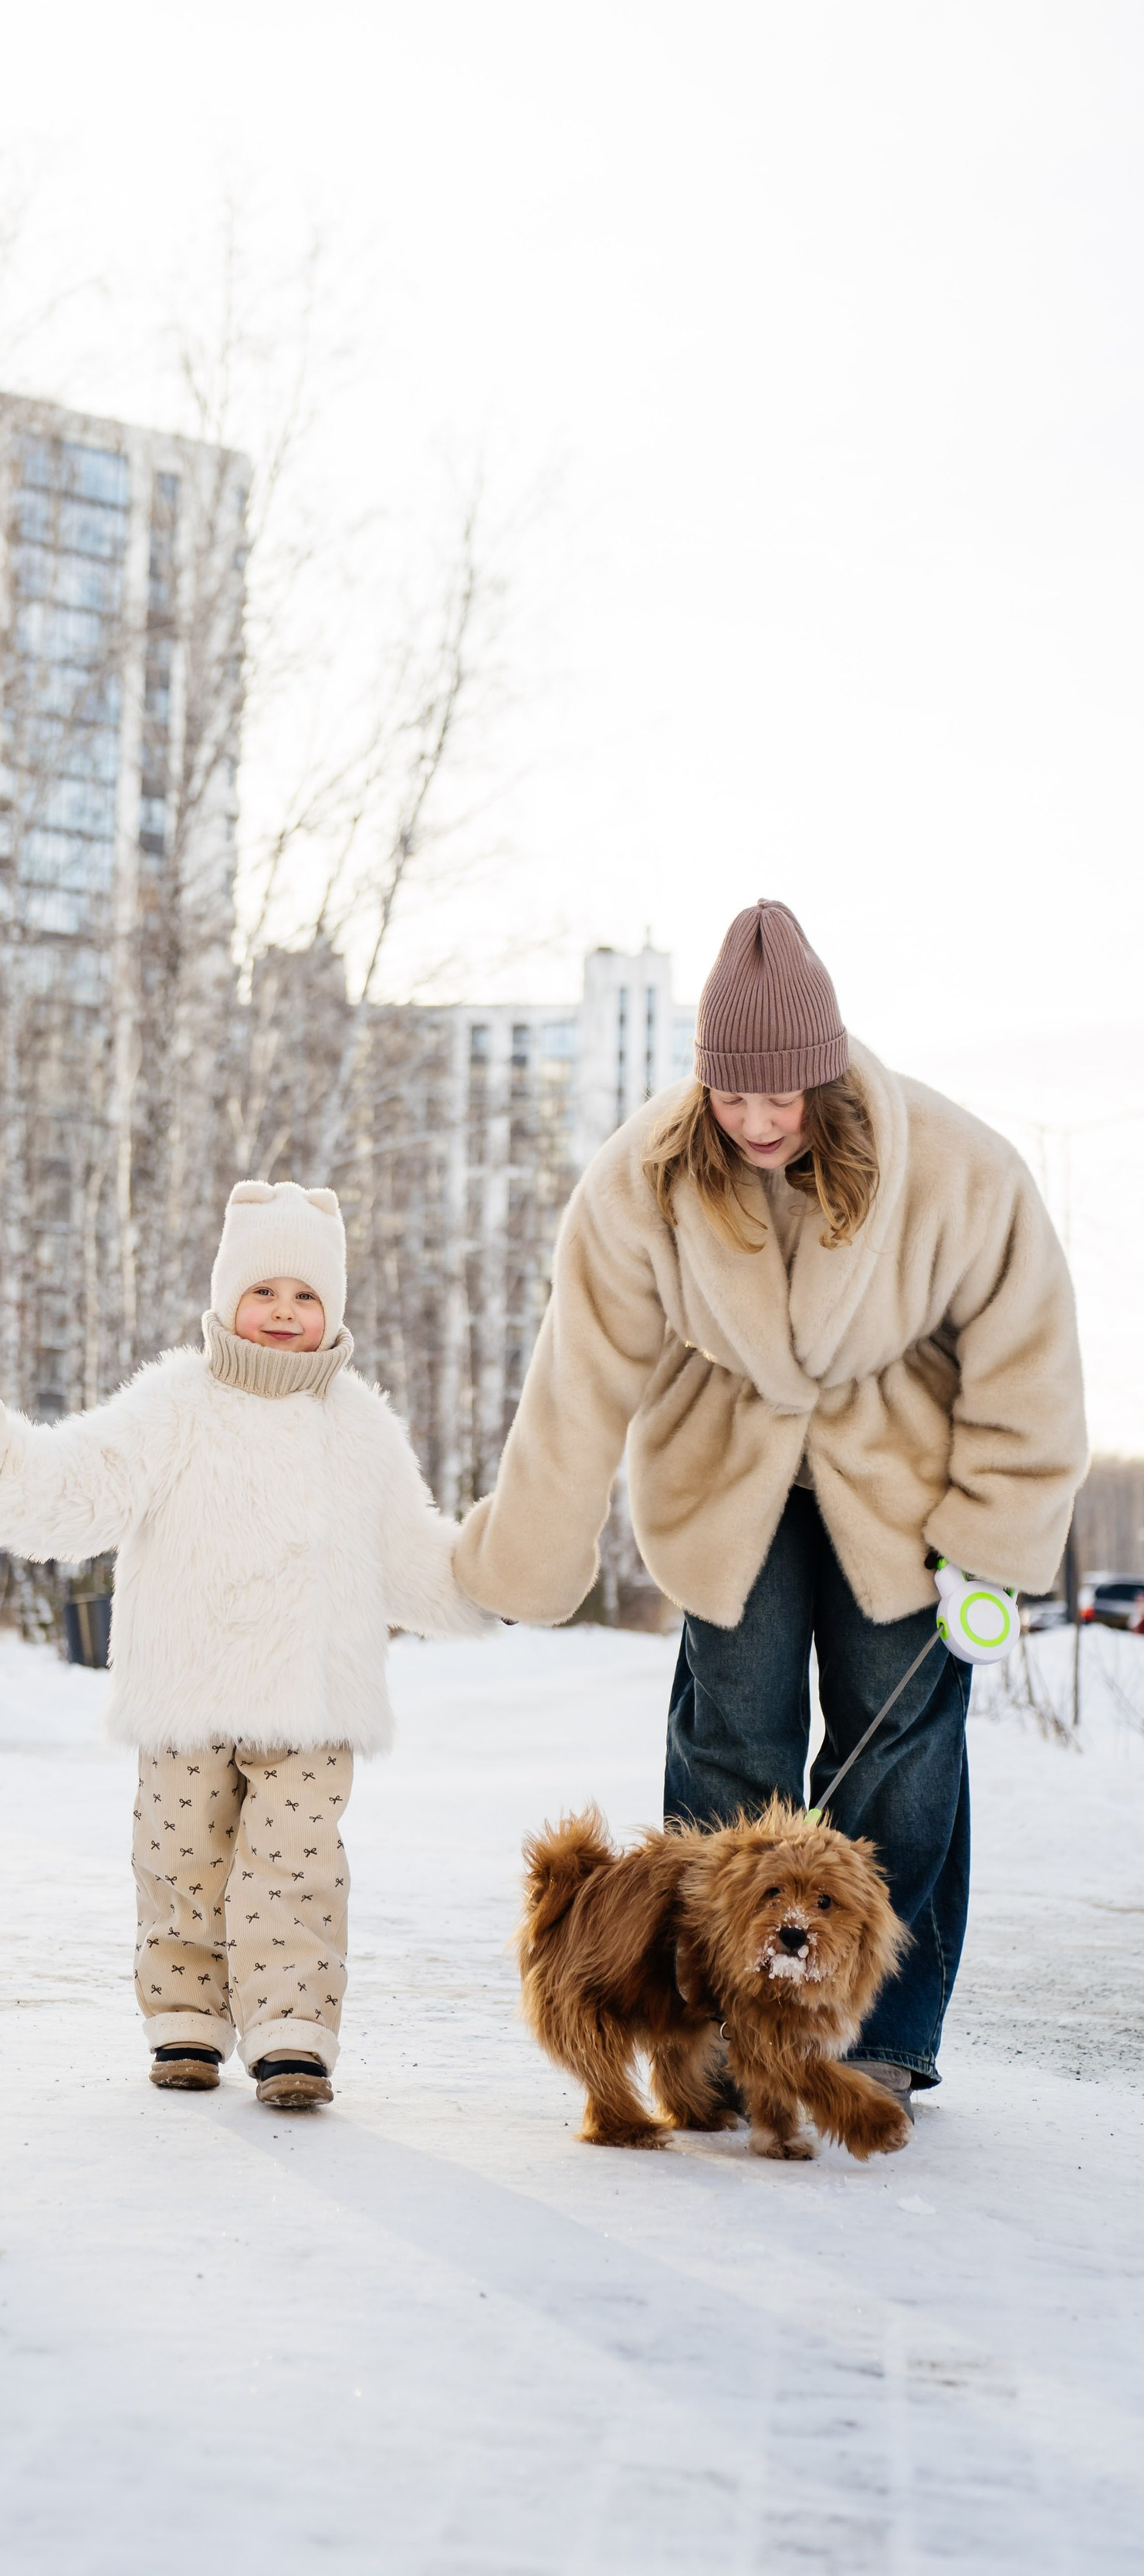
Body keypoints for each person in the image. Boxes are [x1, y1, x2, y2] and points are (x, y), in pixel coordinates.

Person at [456, 900, 1086, 2116]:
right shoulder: (644, 1179)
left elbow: (1030, 1347)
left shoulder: (954, 1168)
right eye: (731, 1100)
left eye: (779, 1099)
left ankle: (880, 2031)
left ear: (825, 1074)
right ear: (702, 1085)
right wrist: (532, 1557)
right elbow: (581, 1374)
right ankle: (723, 2028)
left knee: (896, 1751)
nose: (755, 1122)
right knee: (729, 1747)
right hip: (724, 1475)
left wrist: (992, 1542)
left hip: (900, 1481)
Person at [0, 1178, 491, 2108]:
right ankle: (187, 2020)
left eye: (306, 1295)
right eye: (264, 1291)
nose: (282, 1312)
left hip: (313, 1704)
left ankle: (291, 2035)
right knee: (179, 1857)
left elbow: (411, 1556)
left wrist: (490, 1574)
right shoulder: (173, 1405)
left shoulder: (361, 1426)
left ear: (334, 1308)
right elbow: (81, 1484)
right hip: (185, 1693)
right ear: (227, 1295)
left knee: (296, 1869)